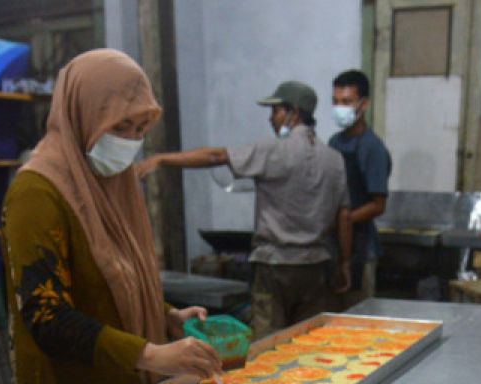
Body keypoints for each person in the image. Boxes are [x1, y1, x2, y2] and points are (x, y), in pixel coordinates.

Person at [0, 49, 220, 384]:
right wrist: (150, 354)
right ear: (81, 113)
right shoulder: (36, 193)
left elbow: (115, 279)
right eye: (119, 127)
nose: (129, 142)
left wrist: (164, 316)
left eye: (139, 129)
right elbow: (46, 317)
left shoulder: (113, 184)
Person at [138, 81, 351, 337]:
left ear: (293, 112)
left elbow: (217, 156)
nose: (272, 119)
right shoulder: (334, 159)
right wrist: (345, 264)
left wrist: (161, 159)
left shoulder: (275, 150)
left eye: (275, 111)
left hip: (274, 266)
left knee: (268, 343)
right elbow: (344, 215)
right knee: (307, 340)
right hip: (315, 266)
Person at [328, 69, 392, 308]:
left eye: (346, 102)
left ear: (364, 104)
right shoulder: (335, 142)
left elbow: (378, 205)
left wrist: (345, 220)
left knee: (357, 318)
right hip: (335, 248)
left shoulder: (371, 148)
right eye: (335, 101)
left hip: (361, 251)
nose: (339, 108)